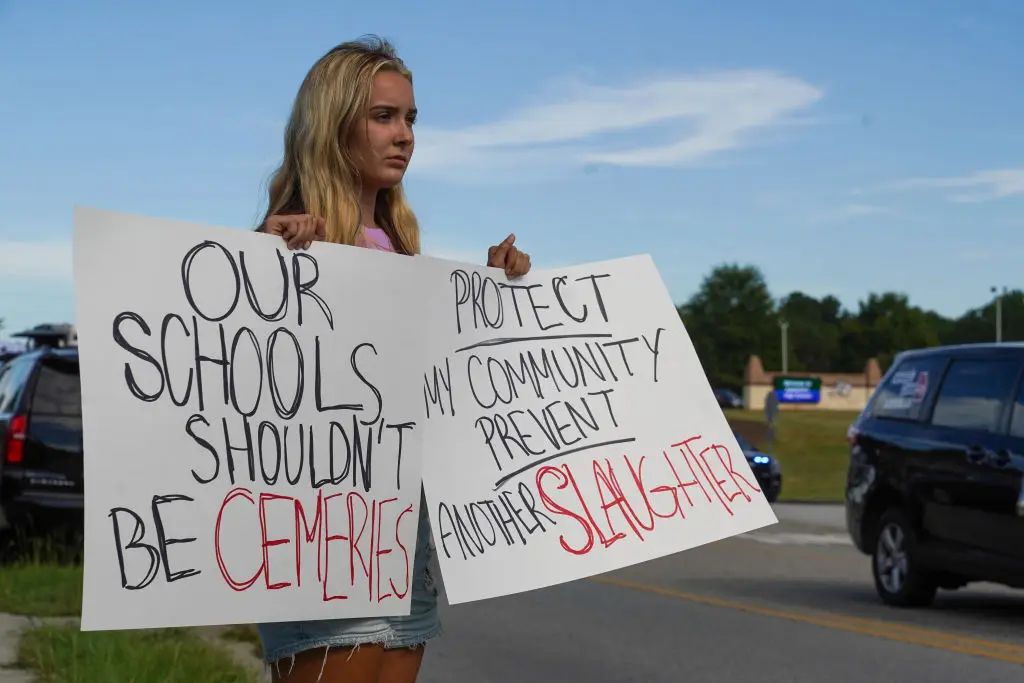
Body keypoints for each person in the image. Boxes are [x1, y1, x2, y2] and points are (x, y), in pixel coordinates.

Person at [252, 36, 532, 683]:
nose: (403, 135)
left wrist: (495, 294)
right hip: (321, 536)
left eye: (410, 118)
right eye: (384, 116)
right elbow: (257, 376)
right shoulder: (292, 237)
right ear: (334, 123)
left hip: (402, 536)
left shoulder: (401, 248)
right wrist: (269, 262)